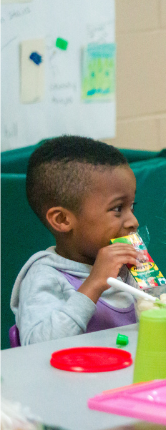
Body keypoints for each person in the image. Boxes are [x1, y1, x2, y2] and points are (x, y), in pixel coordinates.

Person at [11, 137, 143, 345]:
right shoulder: (45, 277)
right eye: (117, 209)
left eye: (132, 206)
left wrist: (156, 288)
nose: (133, 221)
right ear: (62, 220)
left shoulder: (129, 263)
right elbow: (36, 348)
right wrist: (94, 284)